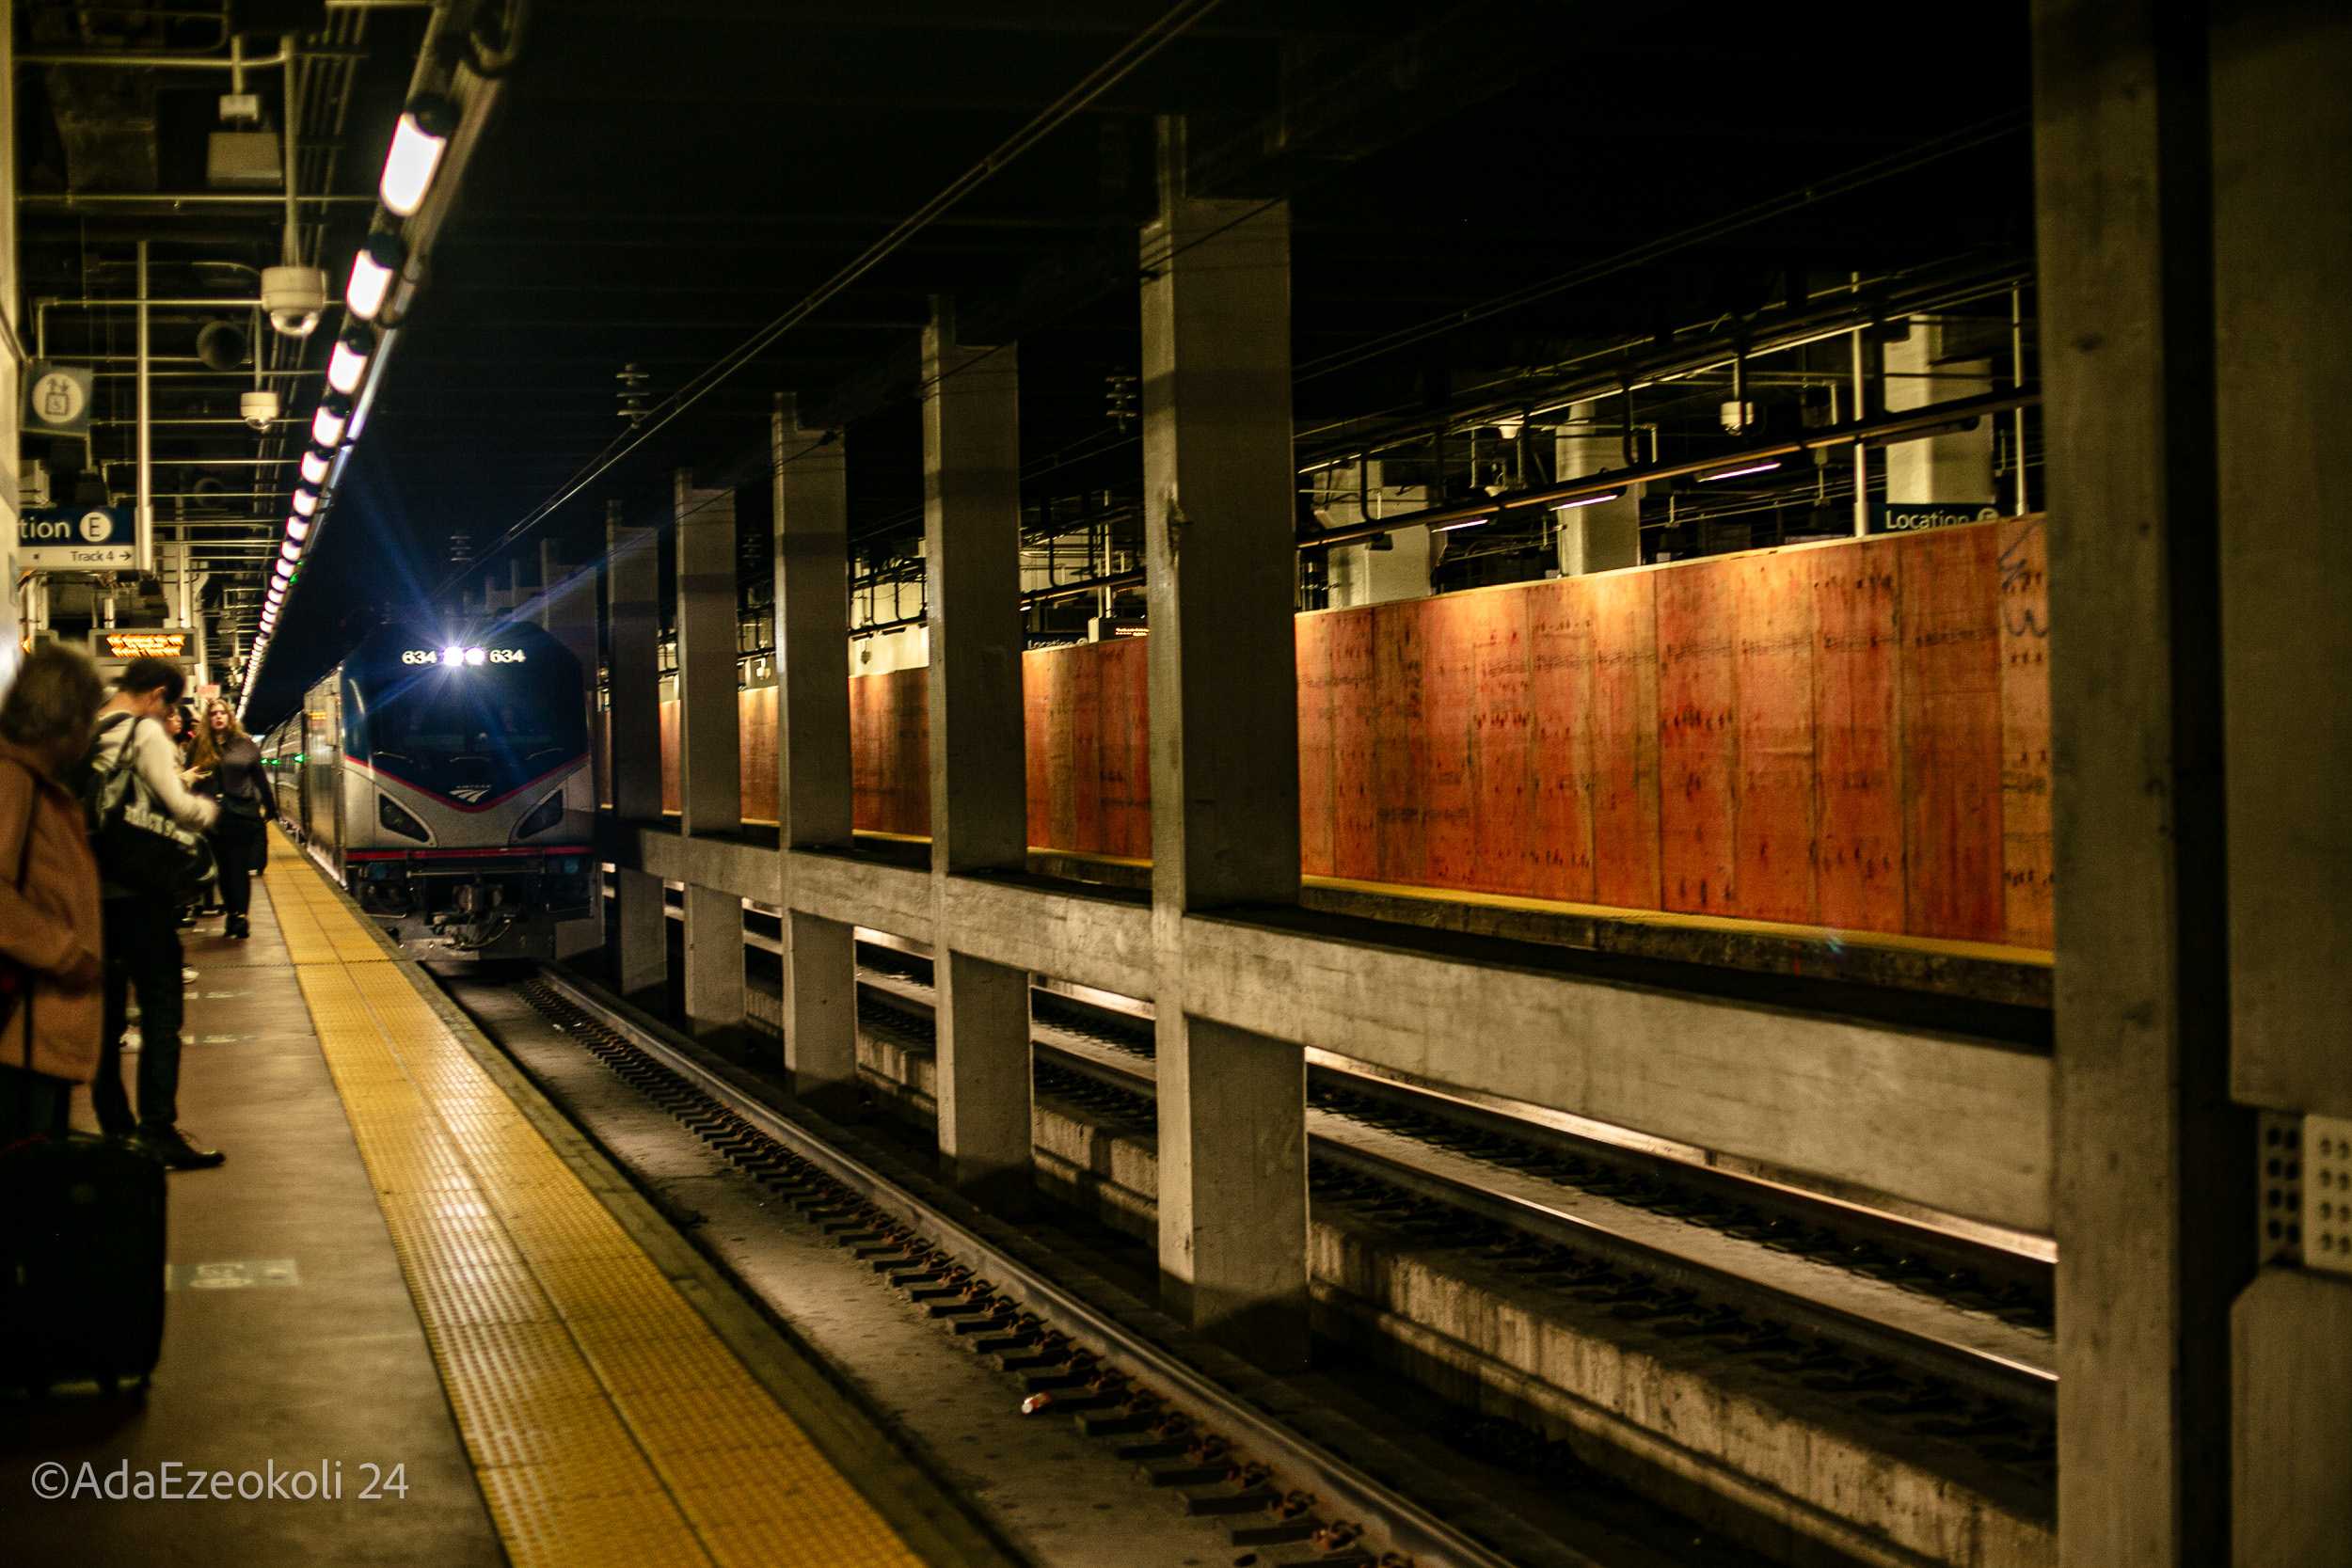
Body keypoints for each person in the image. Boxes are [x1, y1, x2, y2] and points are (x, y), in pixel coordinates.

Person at [85, 657, 224, 1169]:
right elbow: (176, 804)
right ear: (159, 694)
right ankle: (158, 1132)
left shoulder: (89, 727)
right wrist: (206, 812)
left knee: (105, 1021)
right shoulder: (143, 731)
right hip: (140, 895)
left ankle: (116, 1132)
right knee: (163, 1011)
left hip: (90, 896)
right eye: (171, 706)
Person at [0, 646, 107, 1142]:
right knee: (25, 1173)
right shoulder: (10, 780)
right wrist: (64, 955)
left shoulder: (31, 781)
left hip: (33, 1022)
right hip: (16, 1025)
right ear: (67, 719)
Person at [190, 698, 272, 939]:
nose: (218, 717)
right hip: (212, 818)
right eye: (214, 713)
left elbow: (260, 779)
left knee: (238, 867)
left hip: (241, 815)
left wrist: (270, 808)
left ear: (229, 717)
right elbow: (191, 777)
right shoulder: (199, 746)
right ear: (208, 718)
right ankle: (232, 912)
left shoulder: (244, 745)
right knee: (223, 870)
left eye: (222, 713)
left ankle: (241, 917)